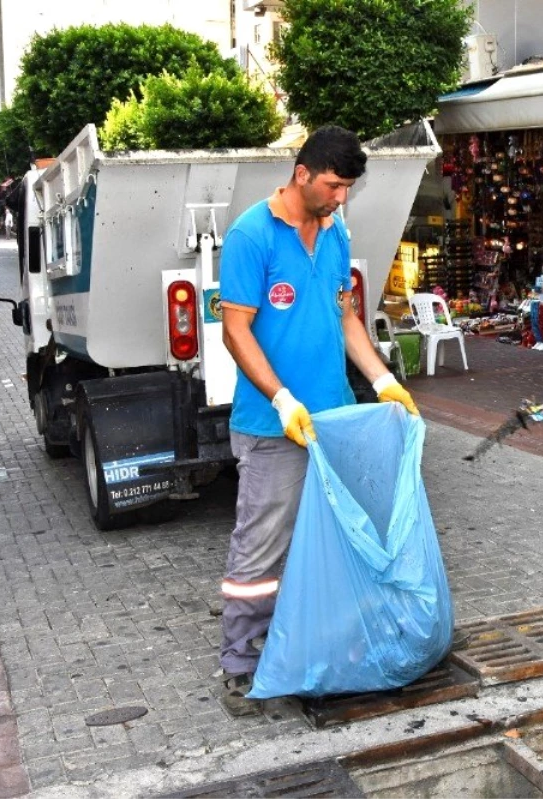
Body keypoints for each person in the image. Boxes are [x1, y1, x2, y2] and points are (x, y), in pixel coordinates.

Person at [215, 125, 419, 715]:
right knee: (261, 551)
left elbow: (347, 316)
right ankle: (241, 663)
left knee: (333, 539)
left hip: (331, 419)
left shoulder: (334, 232)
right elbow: (235, 330)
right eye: (334, 185)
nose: (341, 198)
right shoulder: (252, 235)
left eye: (348, 188)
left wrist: (382, 381)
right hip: (272, 424)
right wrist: (281, 400)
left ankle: (321, 647)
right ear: (302, 173)